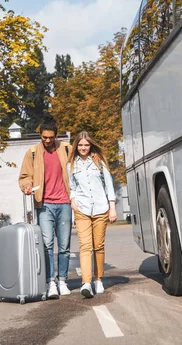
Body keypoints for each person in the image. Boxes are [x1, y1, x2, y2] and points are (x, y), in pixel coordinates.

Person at [18, 119, 72, 299]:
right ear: (40, 135)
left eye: (50, 137)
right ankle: (50, 283)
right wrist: (26, 186)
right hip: (44, 204)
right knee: (47, 245)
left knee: (64, 246)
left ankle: (62, 280)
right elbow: (25, 176)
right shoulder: (33, 152)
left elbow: (80, 163)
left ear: (56, 136)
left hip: (65, 203)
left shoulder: (66, 149)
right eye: (44, 137)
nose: (47, 141)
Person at [67, 131, 117, 298]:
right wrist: (73, 200)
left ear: (90, 146)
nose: (83, 148)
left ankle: (98, 279)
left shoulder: (99, 162)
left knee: (98, 246)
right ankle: (86, 283)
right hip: (82, 209)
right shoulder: (71, 164)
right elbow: (72, 187)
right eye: (80, 145)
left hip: (101, 208)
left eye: (86, 145)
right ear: (76, 146)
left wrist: (112, 207)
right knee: (85, 246)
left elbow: (109, 185)